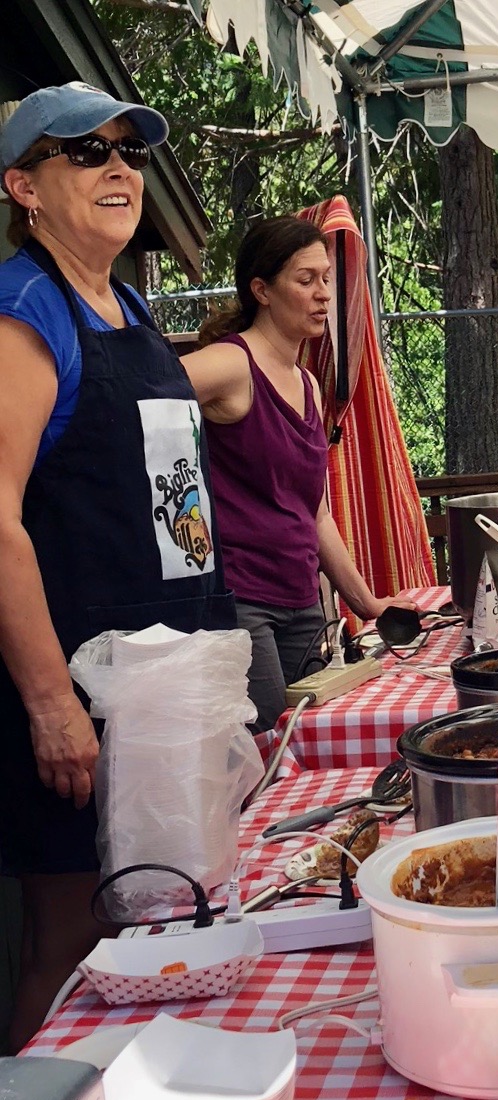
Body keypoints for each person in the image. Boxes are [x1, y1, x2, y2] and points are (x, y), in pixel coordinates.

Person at [0, 81, 235, 1050]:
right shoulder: (24, 313)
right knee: (74, 939)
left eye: (129, 154)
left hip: (167, 688)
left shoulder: (131, 305)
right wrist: (53, 705)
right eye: (85, 152)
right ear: (23, 185)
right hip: (77, 702)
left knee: (160, 927)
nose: (116, 170)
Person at [182, 215, 417, 731]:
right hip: (240, 601)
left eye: (326, 279)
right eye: (304, 280)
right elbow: (141, 398)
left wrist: (367, 602)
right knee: (264, 728)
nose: (322, 295)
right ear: (261, 289)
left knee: (311, 730)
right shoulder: (230, 363)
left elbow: (315, 509)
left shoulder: (309, 386)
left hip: (303, 603)